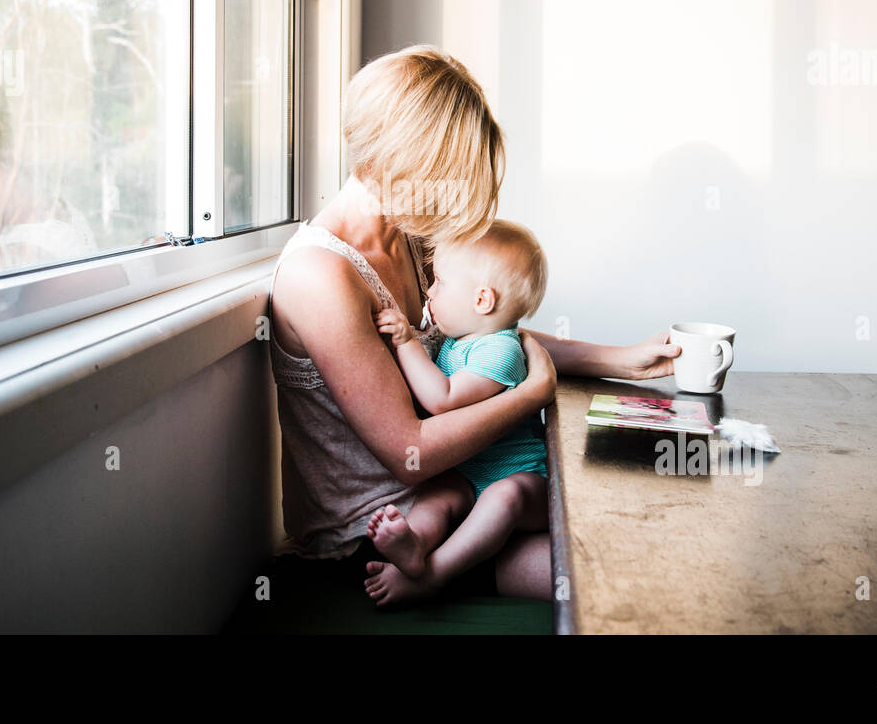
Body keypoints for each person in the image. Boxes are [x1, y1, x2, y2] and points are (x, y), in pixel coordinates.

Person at [268, 44, 680, 600]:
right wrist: (534, 391)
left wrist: (618, 359)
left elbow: (488, 344)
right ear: (398, 160)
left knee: (643, 520)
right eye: (447, 177)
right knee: (628, 565)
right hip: (384, 541)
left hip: (464, 494)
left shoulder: (410, 238)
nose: (455, 199)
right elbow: (410, 453)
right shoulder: (320, 274)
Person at [363, 219, 551, 606]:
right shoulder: (462, 339)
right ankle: (413, 544)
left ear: (481, 301)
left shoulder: (501, 351)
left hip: (523, 480)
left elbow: (442, 398)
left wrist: (405, 341)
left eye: (440, 282)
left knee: (505, 496)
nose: (429, 291)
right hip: (468, 477)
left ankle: (435, 575)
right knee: (437, 495)